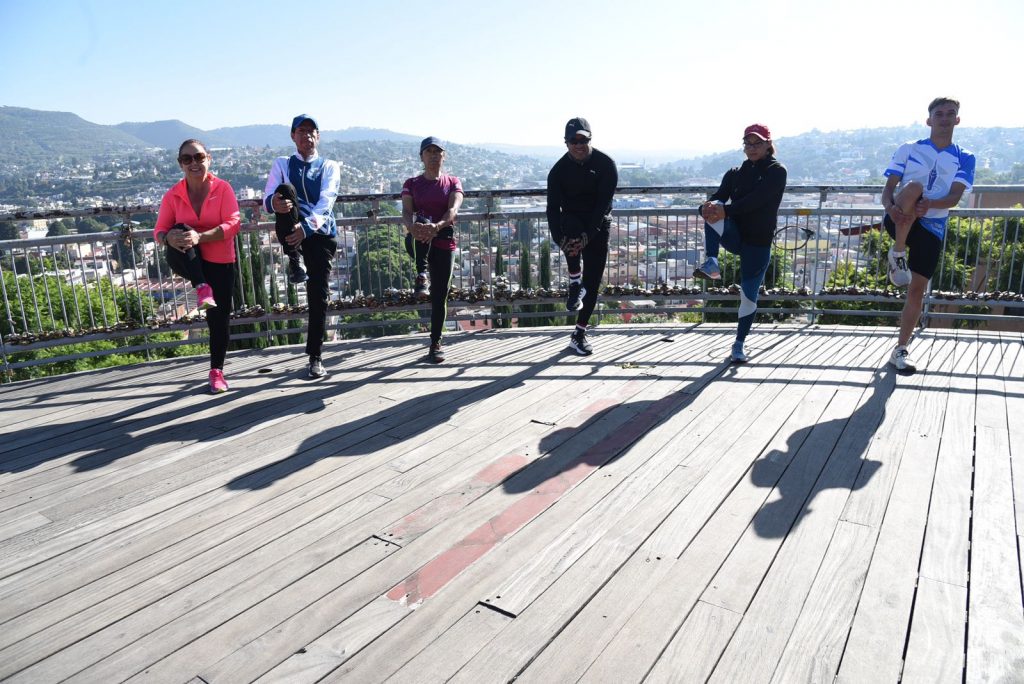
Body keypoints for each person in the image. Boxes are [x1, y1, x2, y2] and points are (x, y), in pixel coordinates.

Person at [882, 97, 975, 372]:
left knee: (916, 290)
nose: (944, 118)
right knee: (913, 187)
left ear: (957, 119)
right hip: (900, 216)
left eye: (950, 114)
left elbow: (955, 196)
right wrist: (890, 208)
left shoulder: (965, 157)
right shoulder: (909, 148)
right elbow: (888, 188)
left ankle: (901, 349)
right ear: (929, 120)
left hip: (932, 226)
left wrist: (931, 204)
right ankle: (898, 252)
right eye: (939, 114)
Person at [694, 123, 787, 363]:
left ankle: (739, 343)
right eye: (748, 143)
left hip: (758, 242)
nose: (752, 148)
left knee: (748, 296)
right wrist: (706, 207)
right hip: (736, 235)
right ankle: (712, 262)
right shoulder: (735, 173)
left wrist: (725, 210)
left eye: (758, 143)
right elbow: (719, 197)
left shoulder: (777, 171)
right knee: (713, 209)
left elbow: (757, 200)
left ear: (768, 145)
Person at [154, 139, 240, 393]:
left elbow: (233, 224)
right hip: (187, 260)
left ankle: (217, 372)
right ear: (180, 164)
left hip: (220, 261)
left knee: (219, 320)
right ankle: (202, 286)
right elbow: (159, 230)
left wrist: (200, 237)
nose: (194, 163)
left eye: (199, 157)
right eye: (187, 159)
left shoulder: (223, 188)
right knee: (178, 228)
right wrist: (167, 238)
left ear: (208, 159)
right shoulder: (173, 195)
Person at [263, 114, 341, 378]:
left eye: (311, 131)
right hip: (291, 226)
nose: (307, 135)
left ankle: (315, 356)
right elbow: (267, 196)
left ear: (318, 136)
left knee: (318, 294)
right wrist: (273, 203)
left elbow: (327, 201)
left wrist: (306, 228)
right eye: (301, 130)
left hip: (319, 234)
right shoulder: (282, 164)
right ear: (293, 136)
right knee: (284, 190)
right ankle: (295, 261)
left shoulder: (329, 166)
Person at [546, 117, 617, 356]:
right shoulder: (558, 171)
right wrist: (559, 239)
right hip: (572, 224)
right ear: (566, 143)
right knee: (570, 226)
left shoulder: (606, 164)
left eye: (582, 140)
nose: (578, 145)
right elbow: (552, 209)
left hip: (598, 224)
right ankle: (574, 280)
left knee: (594, 282)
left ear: (590, 139)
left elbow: (603, 205)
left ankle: (579, 333)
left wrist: (591, 233)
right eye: (573, 141)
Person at [401, 137, 464, 363]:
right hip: (419, 239)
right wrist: (413, 227)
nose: (434, 155)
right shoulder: (412, 183)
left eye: (438, 151)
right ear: (421, 157)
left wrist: (436, 227)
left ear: (443, 156)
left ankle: (436, 342)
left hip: (444, 241)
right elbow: (406, 212)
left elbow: (453, 209)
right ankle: (421, 273)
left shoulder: (452, 182)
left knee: (440, 295)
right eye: (429, 151)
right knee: (421, 223)